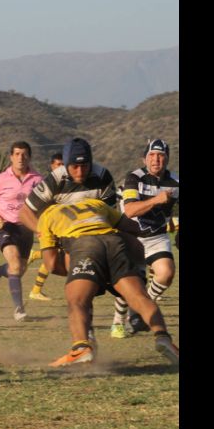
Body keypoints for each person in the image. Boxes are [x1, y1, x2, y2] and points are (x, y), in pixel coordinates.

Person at [30, 198, 179, 367]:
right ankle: (163, 338)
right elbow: (134, 229)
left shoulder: (47, 216)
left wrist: (81, 274)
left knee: (77, 301)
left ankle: (81, 347)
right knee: (139, 297)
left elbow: (51, 265)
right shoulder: (95, 203)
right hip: (114, 242)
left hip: (85, 245)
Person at [19, 138, 119, 338]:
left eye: (85, 166)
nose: (80, 172)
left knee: (86, 286)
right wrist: (42, 232)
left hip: (95, 240)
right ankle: (85, 337)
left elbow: (110, 215)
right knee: (77, 285)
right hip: (64, 239)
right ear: (65, 164)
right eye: (75, 166)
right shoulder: (56, 179)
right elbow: (25, 212)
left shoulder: (102, 176)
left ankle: (92, 336)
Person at [110, 139, 179, 338]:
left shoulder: (175, 183)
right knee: (131, 284)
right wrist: (157, 200)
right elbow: (130, 210)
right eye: (152, 155)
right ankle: (118, 322)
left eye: (161, 156)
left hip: (157, 236)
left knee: (166, 273)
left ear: (167, 159)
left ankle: (141, 308)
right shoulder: (134, 178)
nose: (156, 159)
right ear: (144, 158)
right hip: (132, 236)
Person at [0, 141, 43, 321]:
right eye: (16, 154)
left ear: (29, 157)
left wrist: (41, 224)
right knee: (15, 265)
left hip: (27, 228)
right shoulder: (0, 179)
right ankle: (19, 309)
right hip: (6, 226)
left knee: (19, 269)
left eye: (24, 154)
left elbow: (44, 204)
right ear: (11, 157)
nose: (20, 158)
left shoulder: (38, 180)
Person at [26, 152, 65, 301]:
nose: (61, 167)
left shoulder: (66, 182)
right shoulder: (47, 183)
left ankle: (36, 289)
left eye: (63, 165)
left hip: (60, 224)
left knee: (55, 254)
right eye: (58, 165)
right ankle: (35, 289)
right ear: (52, 166)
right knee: (55, 254)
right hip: (49, 224)